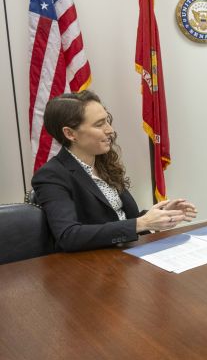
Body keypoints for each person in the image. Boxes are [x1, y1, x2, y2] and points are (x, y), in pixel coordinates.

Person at [32, 91, 197, 252]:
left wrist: (160, 216)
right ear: (70, 133)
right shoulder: (51, 176)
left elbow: (120, 218)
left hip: (130, 255)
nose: (110, 130)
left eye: (107, 120)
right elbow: (69, 235)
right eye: (99, 124)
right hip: (95, 268)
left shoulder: (104, 161)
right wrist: (142, 223)